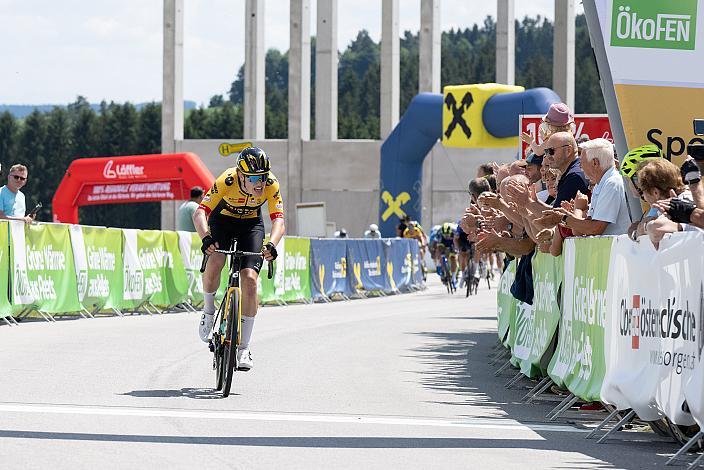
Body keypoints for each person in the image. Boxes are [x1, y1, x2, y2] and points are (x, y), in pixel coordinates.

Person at [193, 147, 285, 371]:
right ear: (241, 175)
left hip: (251, 226)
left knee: (250, 280)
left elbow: (279, 220)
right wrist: (206, 238)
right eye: (253, 178)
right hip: (222, 221)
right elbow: (200, 212)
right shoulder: (227, 179)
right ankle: (207, 311)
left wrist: (272, 244)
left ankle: (244, 347)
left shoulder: (271, 184)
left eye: (262, 177)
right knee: (216, 261)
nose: (259, 183)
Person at [553, 138, 631, 236]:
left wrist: (563, 217)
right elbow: (582, 229)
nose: (580, 166)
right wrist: (567, 216)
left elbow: (595, 229)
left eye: (582, 161)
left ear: (595, 163)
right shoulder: (602, 184)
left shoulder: (612, 183)